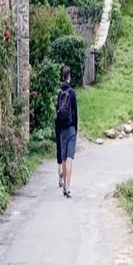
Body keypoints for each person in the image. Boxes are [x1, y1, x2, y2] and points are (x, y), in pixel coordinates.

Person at [55, 65, 78, 198]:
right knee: (69, 159)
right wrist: (75, 129)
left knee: (63, 159)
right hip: (71, 129)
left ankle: (63, 185)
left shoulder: (59, 93)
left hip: (62, 130)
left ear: (62, 76)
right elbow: (75, 113)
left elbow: (57, 112)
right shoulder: (72, 93)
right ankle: (68, 188)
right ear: (69, 76)